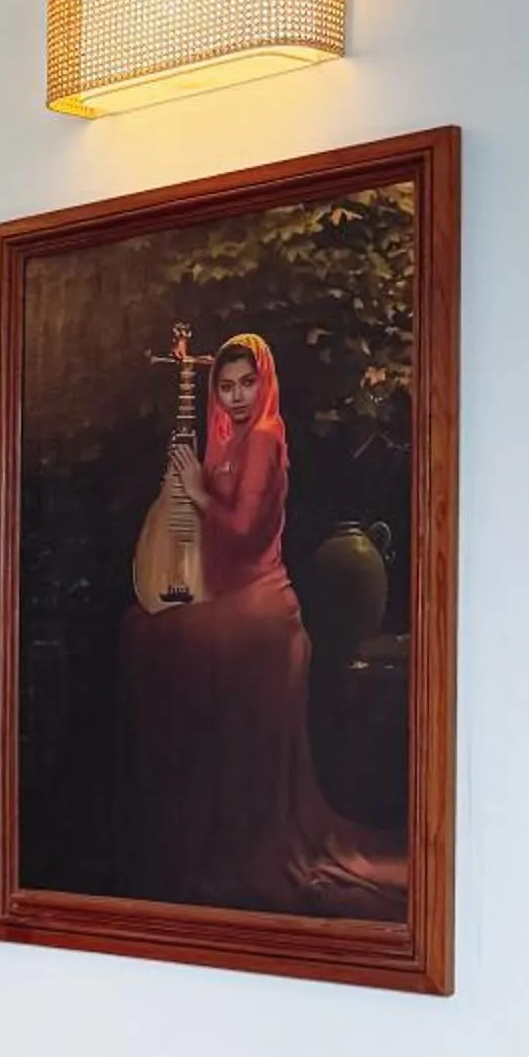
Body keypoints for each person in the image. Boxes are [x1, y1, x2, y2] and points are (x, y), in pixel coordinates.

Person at [120, 331, 402, 915]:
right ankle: (203, 836)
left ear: (265, 380)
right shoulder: (228, 439)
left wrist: (197, 495)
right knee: (147, 628)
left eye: (248, 382)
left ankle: (224, 844)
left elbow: (247, 533)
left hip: (261, 603)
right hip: (232, 594)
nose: (238, 395)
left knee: (155, 637)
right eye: (225, 385)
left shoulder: (266, 438)